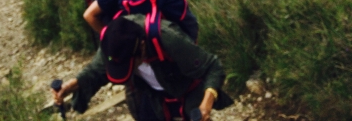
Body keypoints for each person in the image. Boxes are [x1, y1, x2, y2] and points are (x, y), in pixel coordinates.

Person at [52, 15, 231, 121]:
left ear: (143, 48)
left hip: (187, 89)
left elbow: (213, 67)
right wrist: (69, 87)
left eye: (130, 65)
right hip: (152, 94)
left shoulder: (168, 38)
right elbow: (95, 71)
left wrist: (206, 105)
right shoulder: (113, 42)